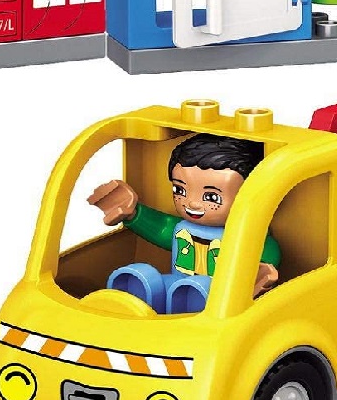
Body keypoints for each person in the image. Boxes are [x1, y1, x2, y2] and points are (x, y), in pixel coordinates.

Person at [88, 133, 280, 313]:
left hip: (217, 299)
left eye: (211, 197)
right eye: (180, 191)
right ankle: (131, 311)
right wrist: (134, 214)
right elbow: (162, 228)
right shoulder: (182, 228)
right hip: (176, 281)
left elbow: (266, 255)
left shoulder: (246, 235)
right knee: (144, 277)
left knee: (198, 289)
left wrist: (256, 275)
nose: (192, 203)